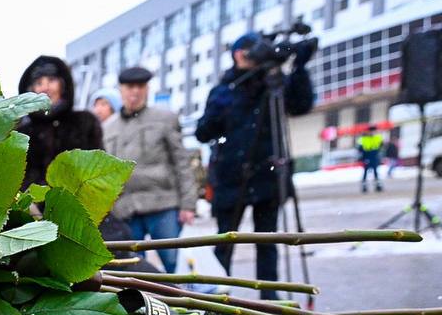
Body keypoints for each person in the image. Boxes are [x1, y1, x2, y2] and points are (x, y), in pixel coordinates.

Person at [195, 32, 314, 300]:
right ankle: (217, 296)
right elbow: (204, 131)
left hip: (267, 175)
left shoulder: (273, 84)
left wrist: (299, 68)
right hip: (230, 177)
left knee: (267, 241)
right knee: (225, 241)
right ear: (239, 55)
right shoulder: (226, 89)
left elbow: (301, 105)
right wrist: (227, 106)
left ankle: (269, 297)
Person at [103, 67, 198, 273]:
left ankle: (178, 295)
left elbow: (182, 162)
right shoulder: (108, 127)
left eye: (140, 86)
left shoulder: (165, 118)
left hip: (163, 203)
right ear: (121, 89)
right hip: (125, 208)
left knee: (172, 264)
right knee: (132, 268)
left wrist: (188, 204)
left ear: (147, 88)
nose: (135, 91)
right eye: (130, 86)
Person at [17, 55, 103, 188]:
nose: (45, 88)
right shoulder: (22, 134)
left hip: (78, 198)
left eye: (51, 80)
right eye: (39, 83)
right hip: (33, 200)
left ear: (63, 85)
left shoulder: (85, 123)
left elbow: (98, 169)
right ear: (31, 90)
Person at [358, 128, 384, 192]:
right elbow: (360, 149)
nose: (372, 133)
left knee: (375, 172)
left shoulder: (377, 138)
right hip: (367, 157)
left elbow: (381, 145)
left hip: (374, 157)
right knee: (365, 172)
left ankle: (378, 185)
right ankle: (364, 186)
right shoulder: (363, 139)